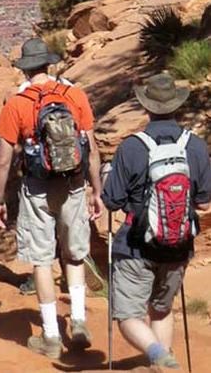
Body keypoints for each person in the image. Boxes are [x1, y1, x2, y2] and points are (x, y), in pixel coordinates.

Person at [0, 38, 103, 359]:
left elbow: (3, 158)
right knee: (74, 253)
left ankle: (51, 336)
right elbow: (92, 149)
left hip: (37, 187)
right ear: (49, 65)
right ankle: (79, 321)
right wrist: (96, 191)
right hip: (72, 184)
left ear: (26, 69)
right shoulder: (74, 95)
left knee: (42, 259)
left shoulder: (17, 103)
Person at [102, 73, 211, 369]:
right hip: (178, 245)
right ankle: (164, 363)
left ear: (146, 106)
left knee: (127, 315)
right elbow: (203, 201)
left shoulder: (131, 147)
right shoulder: (197, 146)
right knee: (161, 310)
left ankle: (159, 357)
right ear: (176, 105)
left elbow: (111, 200)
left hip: (136, 245)